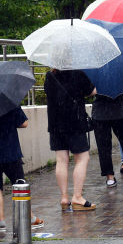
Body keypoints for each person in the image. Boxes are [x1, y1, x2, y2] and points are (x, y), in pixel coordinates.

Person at [0, 106, 44, 232]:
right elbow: (24, 123)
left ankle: (1, 221)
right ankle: (30, 218)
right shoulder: (9, 102)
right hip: (10, 149)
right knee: (19, 183)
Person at [44, 69, 97, 211]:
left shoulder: (50, 76)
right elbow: (92, 91)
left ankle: (64, 198)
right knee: (82, 158)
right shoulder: (77, 73)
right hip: (75, 123)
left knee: (61, 160)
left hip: (55, 124)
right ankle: (77, 197)